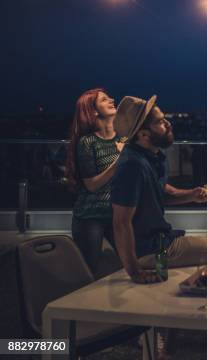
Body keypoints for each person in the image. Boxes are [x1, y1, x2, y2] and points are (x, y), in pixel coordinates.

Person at [111, 95, 207, 285]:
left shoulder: (153, 155)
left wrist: (192, 195)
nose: (168, 123)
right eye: (160, 122)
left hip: (162, 241)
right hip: (153, 250)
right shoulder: (132, 165)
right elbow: (120, 223)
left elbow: (161, 193)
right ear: (143, 134)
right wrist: (135, 272)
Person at [65, 88, 123, 276]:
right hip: (90, 216)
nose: (112, 99)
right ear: (94, 111)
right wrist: (121, 159)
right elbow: (92, 185)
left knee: (130, 263)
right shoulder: (87, 142)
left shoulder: (124, 138)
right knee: (89, 272)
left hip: (117, 214)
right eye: (105, 99)